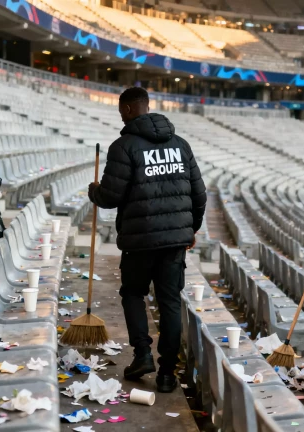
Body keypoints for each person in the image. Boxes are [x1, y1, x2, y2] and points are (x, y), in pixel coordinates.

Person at [88, 87, 206, 393]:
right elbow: (199, 194)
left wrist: (94, 191)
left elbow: (111, 196)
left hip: (140, 242)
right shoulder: (181, 145)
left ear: (127, 109)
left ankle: (142, 354)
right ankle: (167, 373)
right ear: (148, 107)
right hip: (174, 243)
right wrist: (191, 229)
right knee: (169, 303)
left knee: (133, 294)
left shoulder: (123, 147)